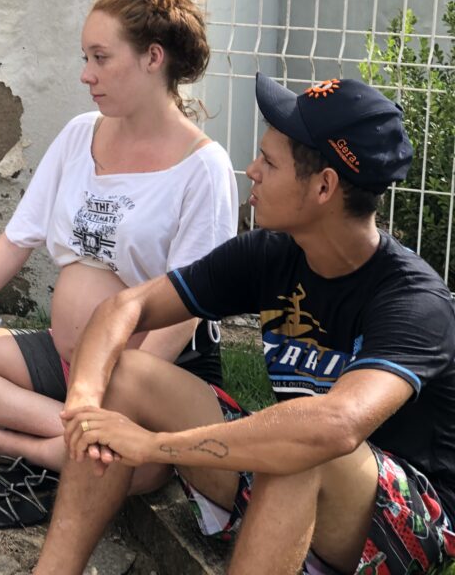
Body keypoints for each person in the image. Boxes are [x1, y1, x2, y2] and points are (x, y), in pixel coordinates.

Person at [35, 74, 455, 575]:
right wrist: (84, 401)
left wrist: (152, 445)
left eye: (269, 163)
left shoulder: (414, 300)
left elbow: (334, 426)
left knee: (300, 448)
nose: (251, 171)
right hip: (296, 471)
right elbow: (123, 308)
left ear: (324, 186)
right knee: (124, 372)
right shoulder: (270, 254)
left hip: (409, 526)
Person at [0, 0, 238, 520]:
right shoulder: (79, 136)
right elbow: (13, 242)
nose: (85, 75)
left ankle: (26, 440)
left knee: (141, 468)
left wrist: (113, 396)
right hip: (66, 358)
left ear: (152, 58)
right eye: (85, 57)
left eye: (100, 58)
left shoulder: (203, 168)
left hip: (143, 377)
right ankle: (69, 438)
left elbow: (185, 312)